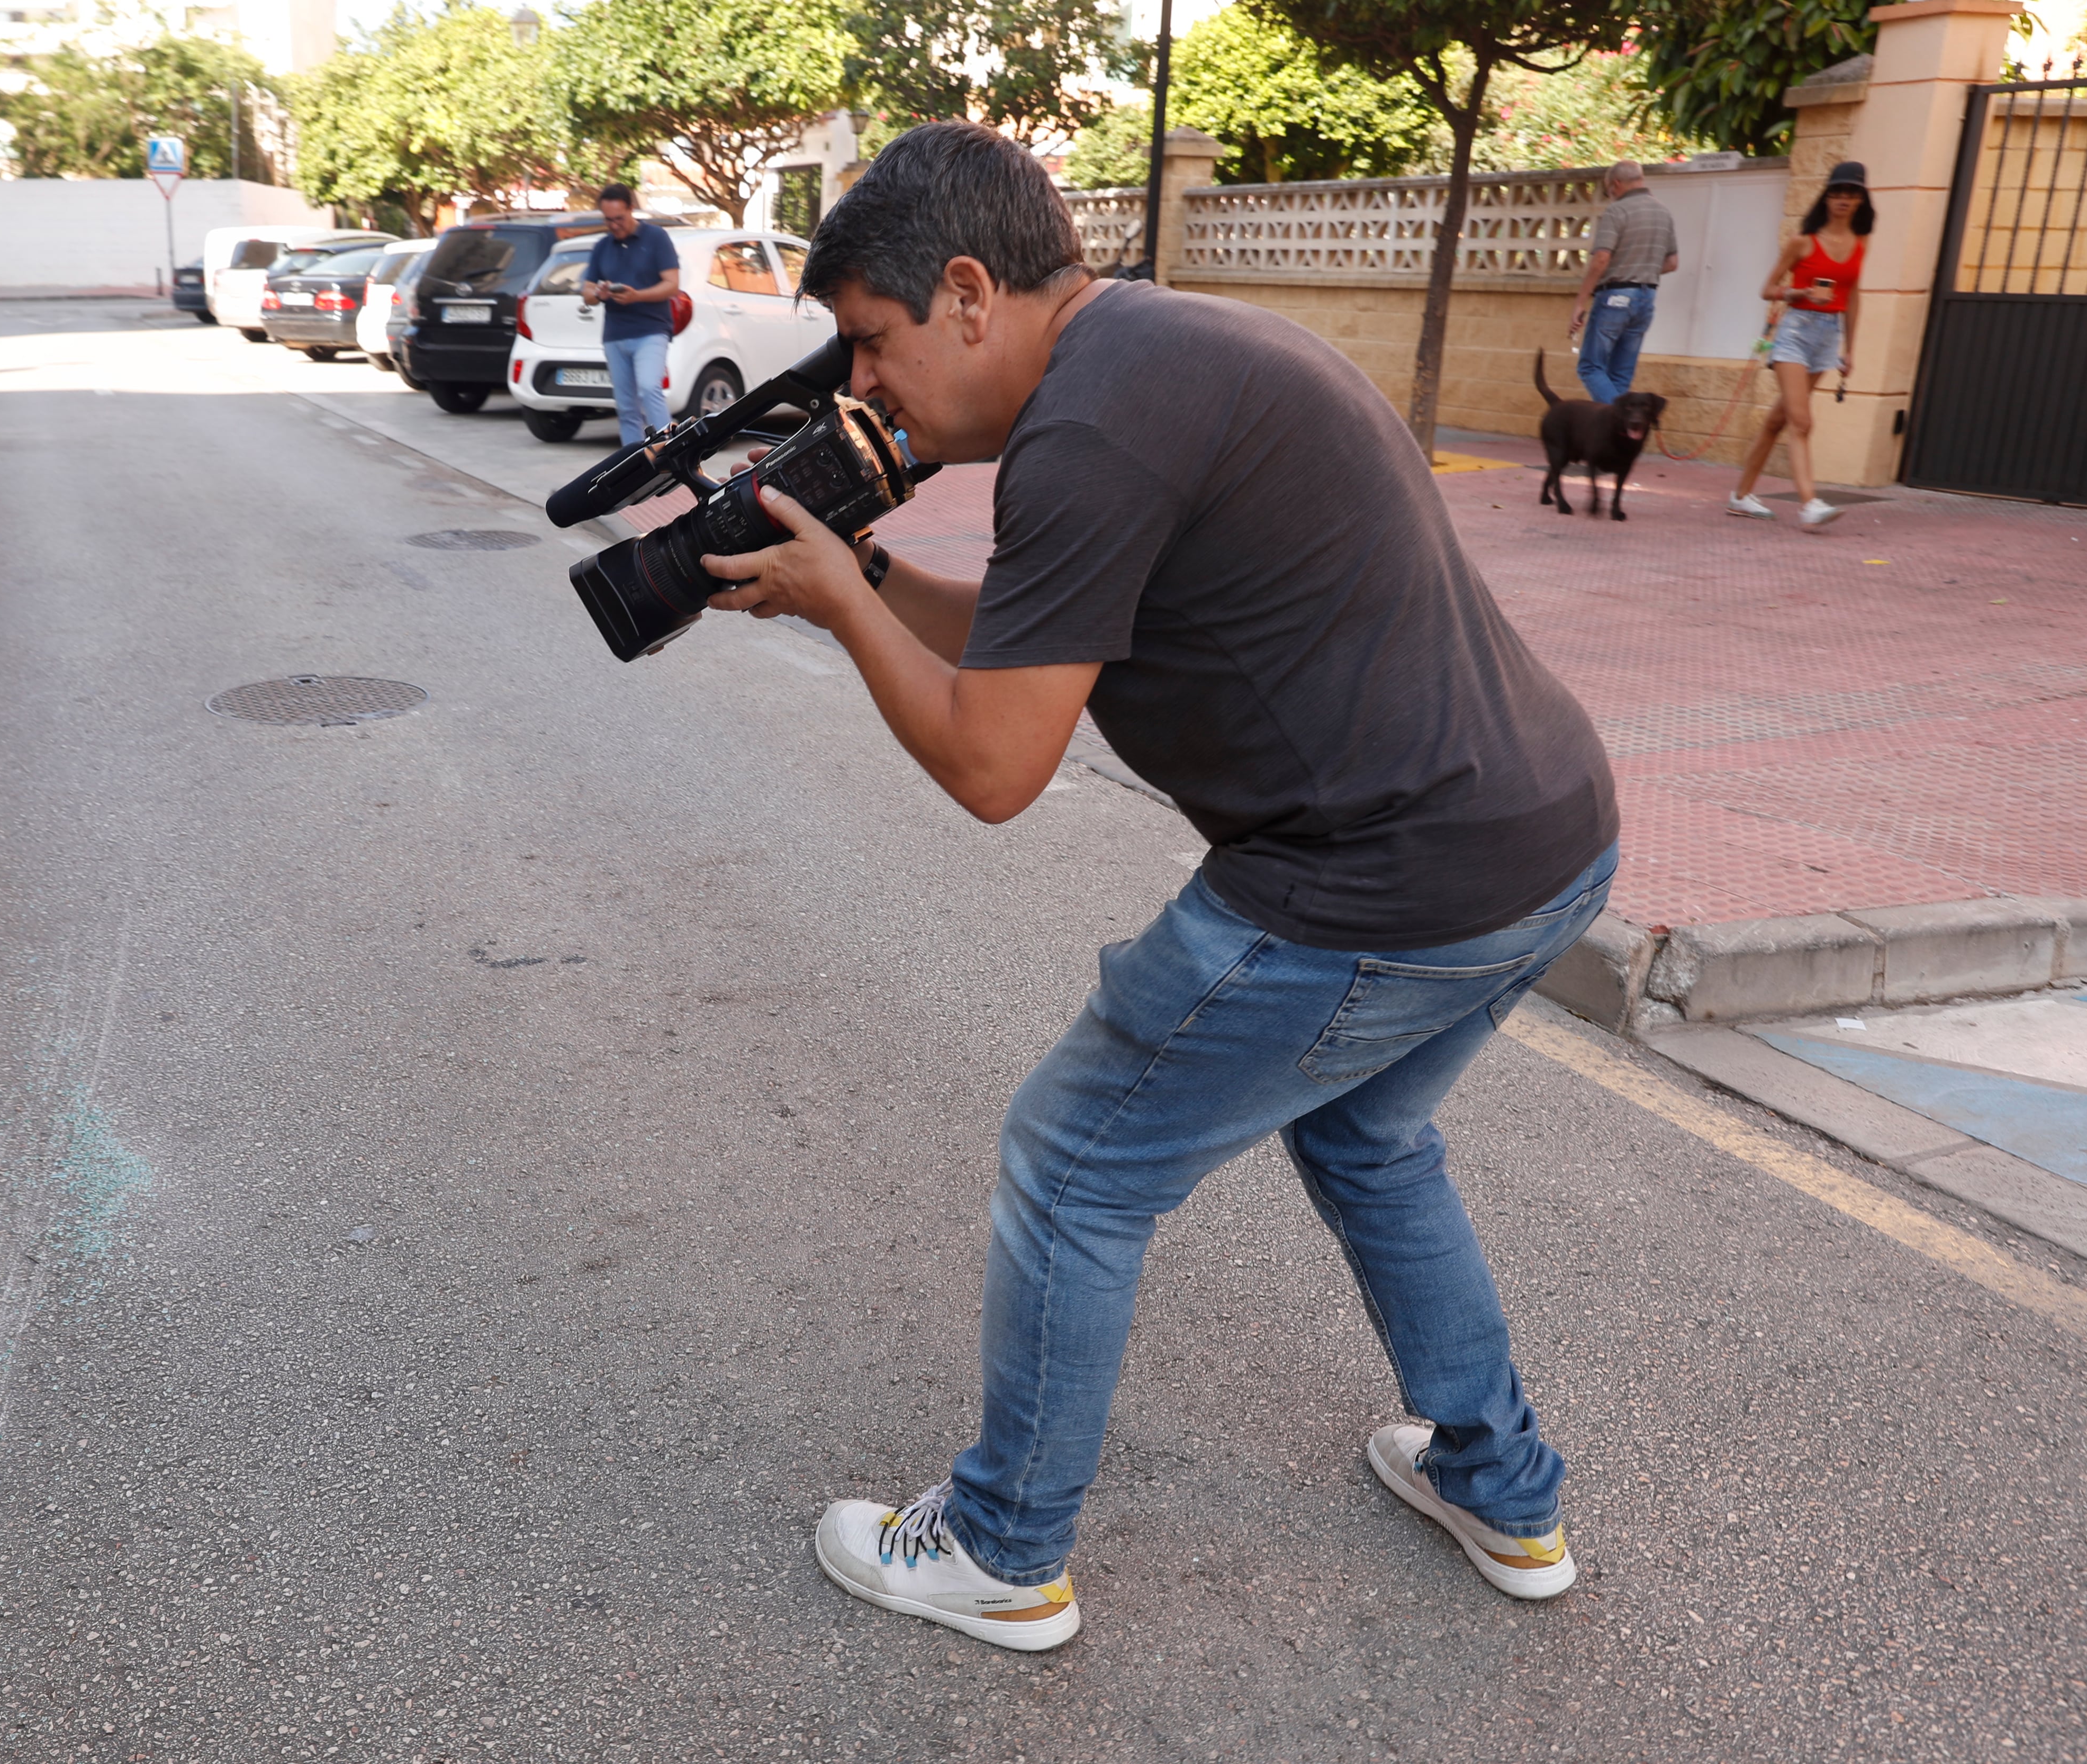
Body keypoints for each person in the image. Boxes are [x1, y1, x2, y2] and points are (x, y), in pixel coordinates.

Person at [697, 121, 1620, 1654]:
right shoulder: (1152, 350)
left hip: (1375, 881)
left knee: (1076, 1162)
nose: (862, 389)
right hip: (1547, 840)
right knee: (1371, 1133)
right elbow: (1038, 611)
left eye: (873, 345)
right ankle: (1503, 1486)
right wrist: (850, 579)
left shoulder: (1086, 434)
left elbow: (997, 763)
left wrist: (840, 615)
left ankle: (1001, 1545)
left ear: (972, 293)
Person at [1728, 162, 1873, 528]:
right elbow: (1767, 289)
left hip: (1829, 335)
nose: (1844, 199)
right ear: (1826, 196)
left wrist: (1851, 349)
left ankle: (1741, 496)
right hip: (1796, 330)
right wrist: (1800, 292)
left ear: (1861, 200)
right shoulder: (1803, 242)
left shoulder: (1860, 245)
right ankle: (1809, 503)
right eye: (1838, 192)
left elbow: (1854, 297)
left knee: (1778, 421)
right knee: (1802, 421)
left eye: (1852, 193)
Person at [1566, 160, 1678, 402]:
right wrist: (1641, 270)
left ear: (1616, 184)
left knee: (1590, 367)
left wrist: (1580, 302)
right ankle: (1618, 435)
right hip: (1647, 298)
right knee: (1620, 375)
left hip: (1614, 297)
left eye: (1608, 191)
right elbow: (1672, 263)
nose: (1610, 195)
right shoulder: (1663, 212)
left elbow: (1601, 260)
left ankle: (1617, 419)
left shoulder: (1617, 211)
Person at [580, 183, 679, 446]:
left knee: (649, 388)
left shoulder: (656, 238)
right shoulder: (603, 246)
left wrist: (638, 296)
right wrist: (598, 293)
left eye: (619, 219)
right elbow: (587, 292)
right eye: (608, 220)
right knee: (626, 406)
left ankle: (671, 450)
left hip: (651, 330)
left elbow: (672, 285)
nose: (614, 225)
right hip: (615, 334)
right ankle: (633, 466)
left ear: (632, 210)